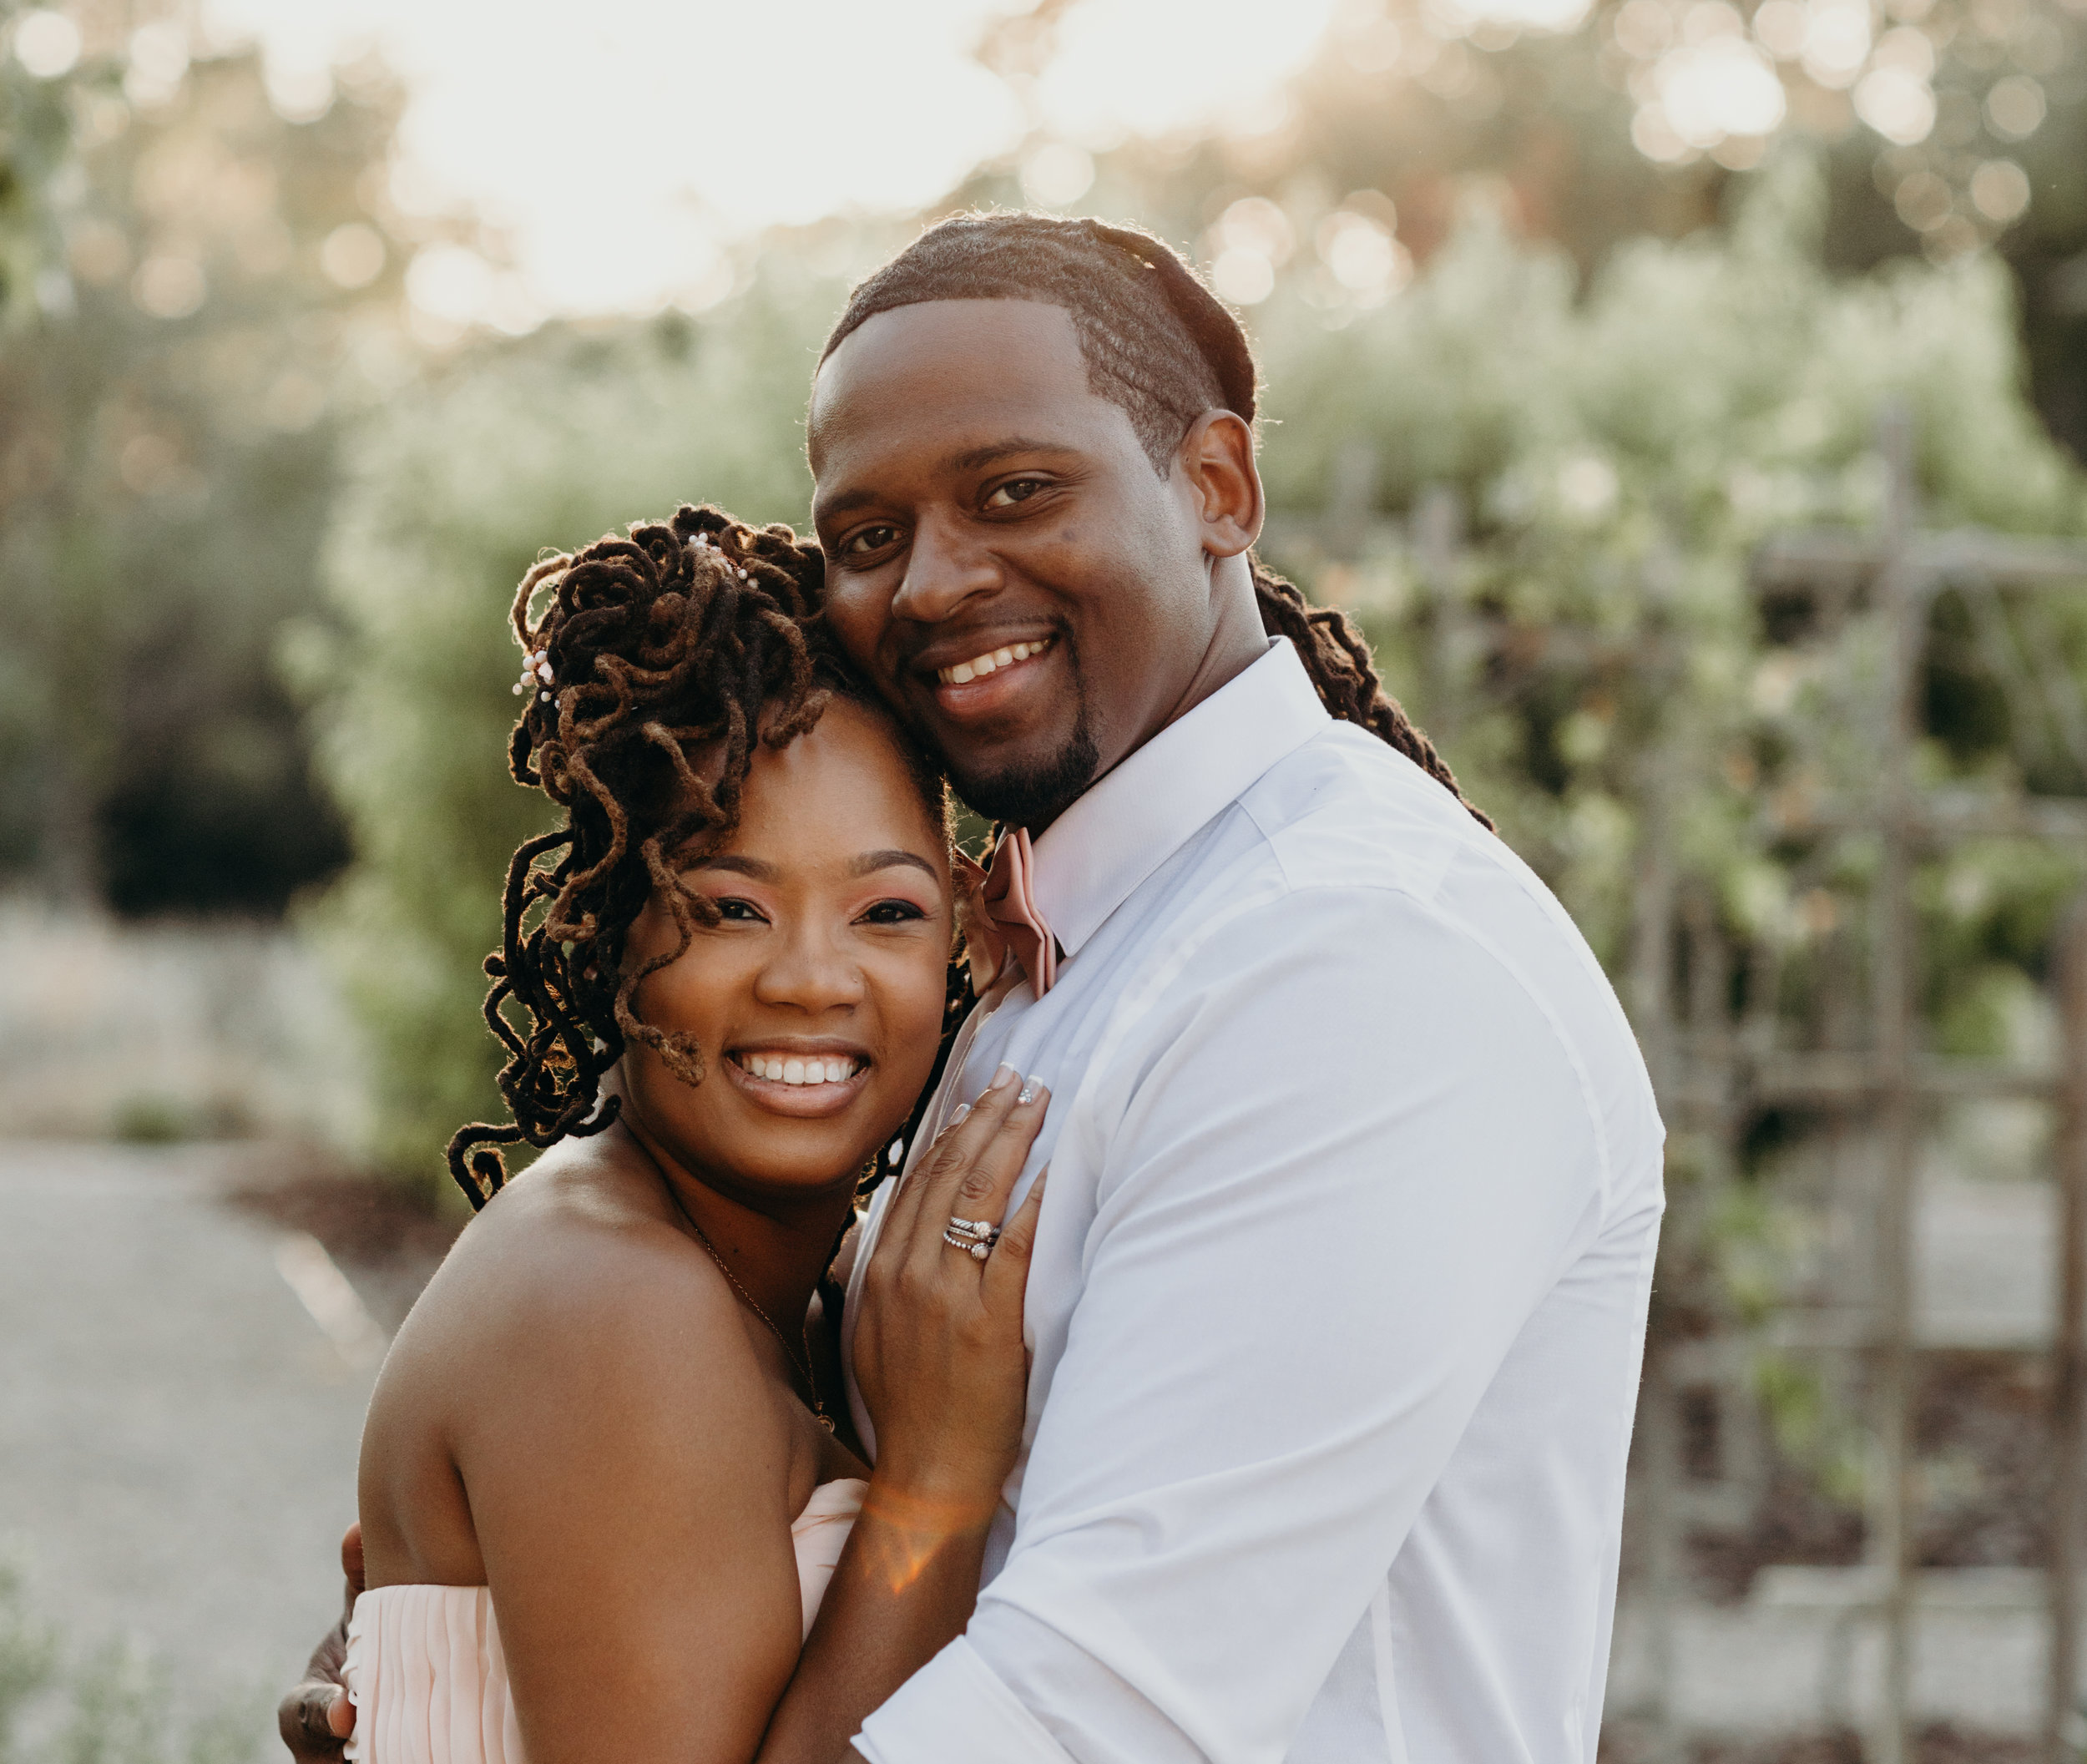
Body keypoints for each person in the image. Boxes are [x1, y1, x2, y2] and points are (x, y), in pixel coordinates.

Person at [289, 212, 1664, 1763]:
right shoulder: (1042, 949)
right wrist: (483, 1651)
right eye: (868, 534)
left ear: (1217, 488)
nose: (935, 581)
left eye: (1017, 490)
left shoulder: (1358, 966)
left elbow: (1090, 1719)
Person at [320, 505, 1060, 1763]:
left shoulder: (789, 1286)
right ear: (615, 935)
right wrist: (932, 1492)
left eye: (885, 908)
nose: (812, 980)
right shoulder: (618, 1304)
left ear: (968, 938)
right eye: (728, 906)